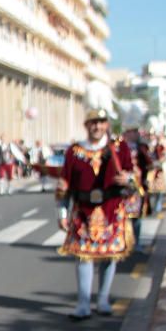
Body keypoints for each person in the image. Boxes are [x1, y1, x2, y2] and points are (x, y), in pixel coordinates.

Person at [58, 105, 134, 320]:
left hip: (111, 209)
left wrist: (127, 179)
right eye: (93, 123)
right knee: (84, 257)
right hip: (83, 211)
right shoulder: (74, 151)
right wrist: (62, 212)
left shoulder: (119, 148)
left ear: (107, 125)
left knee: (109, 256)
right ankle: (83, 304)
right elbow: (64, 183)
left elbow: (132, 175)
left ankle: (103, 299)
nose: (97, 126)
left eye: (101, 122)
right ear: (86, 126)